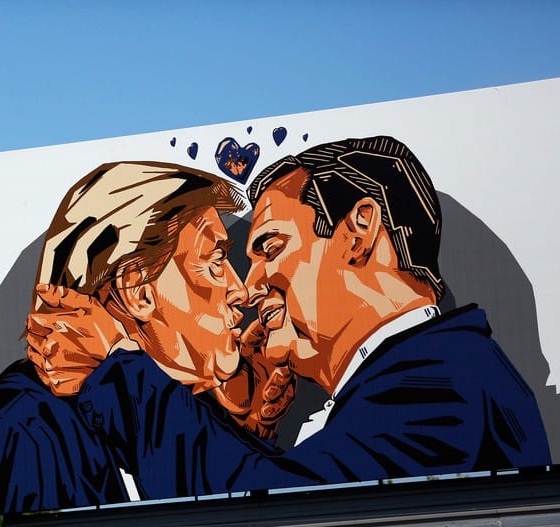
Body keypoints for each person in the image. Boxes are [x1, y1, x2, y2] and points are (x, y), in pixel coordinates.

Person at [30, 136, 551, 491]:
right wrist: (248, 428)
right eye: (224, 260)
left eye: (271, 248)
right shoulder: (430, 370)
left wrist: (119, 368)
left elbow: (270, 508)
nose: (251, 284)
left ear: (359, 231)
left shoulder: (442, 383)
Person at [0, 161, 291, 520]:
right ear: (138, 291)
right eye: (216, 261)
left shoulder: (188, 416)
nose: (241, 291)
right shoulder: (5, 436)